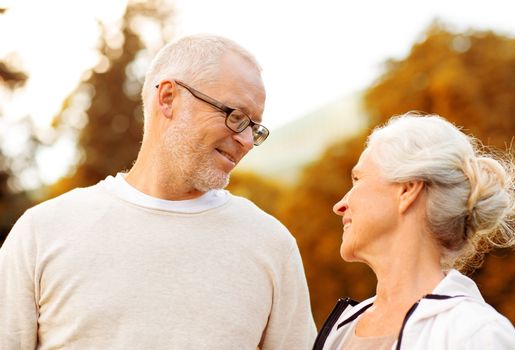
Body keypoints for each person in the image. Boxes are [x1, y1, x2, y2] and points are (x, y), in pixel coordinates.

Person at [0, 34, 316, 349]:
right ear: (167, 98)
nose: (247, 141)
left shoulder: (272, 245)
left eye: (255, 127)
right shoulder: (41, 233)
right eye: (236, 117)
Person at [313, 112, 515, 350]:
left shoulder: (478, 335)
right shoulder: (342, 330)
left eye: (357, 179)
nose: (339, 205)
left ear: (408, 190)